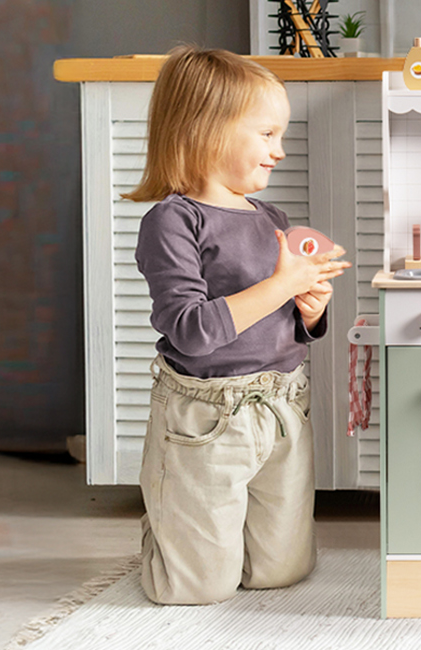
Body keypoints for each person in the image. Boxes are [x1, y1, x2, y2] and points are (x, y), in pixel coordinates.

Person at [124, 45, 351, 605]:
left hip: (282, 406)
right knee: (193, 589)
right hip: (206, 417)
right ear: (205, 130)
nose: (279, 150)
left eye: (281, 136)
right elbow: (190, 330)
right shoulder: (174, 221)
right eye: (267, 134)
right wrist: (281, 285)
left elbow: (283, 320)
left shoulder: (271, 219)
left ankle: (199, 529)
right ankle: (169, 521)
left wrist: (309, 309)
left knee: (282, 571)